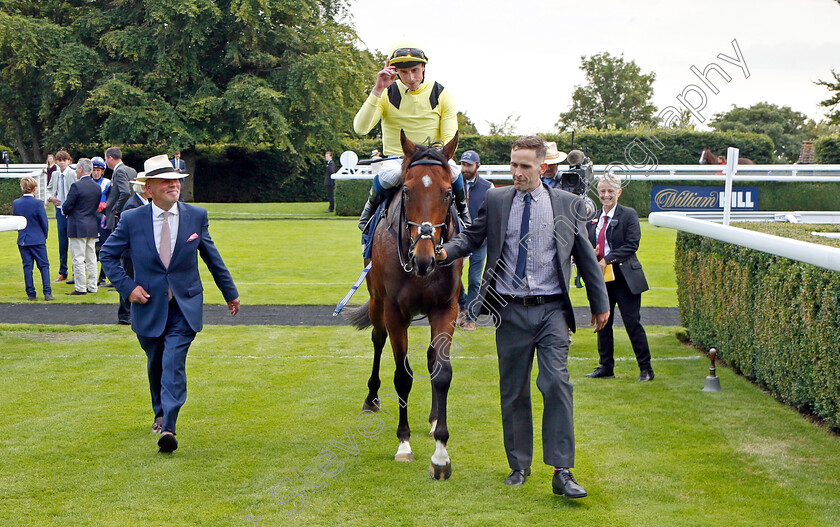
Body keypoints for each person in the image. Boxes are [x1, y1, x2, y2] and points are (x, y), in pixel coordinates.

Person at [436, 136, 609, 498]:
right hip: (509, 311)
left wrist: (600, 303)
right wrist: (445, 251)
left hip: (552, 312)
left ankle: (563, 470)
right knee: (513, 391)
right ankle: (519, 465)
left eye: (525, 166)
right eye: (514, 164)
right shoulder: (497, 200)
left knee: (556, 384)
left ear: (542, 168)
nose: (517, 172)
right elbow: (472, 237)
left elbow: (585, 256)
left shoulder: (567, 204)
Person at [100, 154, 240, 453]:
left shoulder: (196, 216)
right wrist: (128, 288)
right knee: (156, 363)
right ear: (148, 188)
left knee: (173, 362)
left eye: (176, 180)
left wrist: (230, 292)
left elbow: (211, 257)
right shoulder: (131, 219)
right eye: (165, 181)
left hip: (185, 305)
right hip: (148, 305)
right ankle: (160, 412)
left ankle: (169, 426)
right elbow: (107, 255)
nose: (173, 185)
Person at [353, 42, 469, 231]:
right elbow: (360, 128)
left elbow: (449, 136)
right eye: (404, 72)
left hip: (434, 159)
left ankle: (464, 214)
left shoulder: (441, 94)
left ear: (424, 67)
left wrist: (437, 159)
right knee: (389, 176)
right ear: (396, 71)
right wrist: (377, 89)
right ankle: (369, 212)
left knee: (455, 173)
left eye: (415, 70)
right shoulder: (386, 93)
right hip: (397, 160)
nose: (411, 77)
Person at [585, 175, 654, 382]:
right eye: (603, 191)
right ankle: (606, 367)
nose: (606, 195)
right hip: (601, 280)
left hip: (625, 279)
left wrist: (607, 259)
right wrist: (591, 253)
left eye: (610, 191)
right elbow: (589, 245)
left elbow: (631, 245)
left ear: (619, 192)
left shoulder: (629, 215)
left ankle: (646, 368)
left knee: (632, 323)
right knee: (602, 322)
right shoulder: (594, 218)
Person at [456, 150, 492, 331]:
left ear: (478, 166)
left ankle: (471, 317)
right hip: (458, 240)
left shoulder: (487, 187)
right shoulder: (454, 184)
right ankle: (462, 306)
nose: (465, 168)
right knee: (455, 277)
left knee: (475, 280)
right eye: (463, 164)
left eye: (469, 165)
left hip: (479, 240)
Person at [62, 158, 103, 295]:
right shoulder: (97, 187)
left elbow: (67, 206)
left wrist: (67, 211)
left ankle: (80, 287)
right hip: (91, 225)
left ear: (81, 169)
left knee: (78, 258)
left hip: (77, 225)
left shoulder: (76, 186)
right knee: (91, 257)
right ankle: (92, 285)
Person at [115, 179, 151, 325]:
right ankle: (124, 314)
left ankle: (132, 312)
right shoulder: (132, 204)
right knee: (128, 280)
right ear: (143, 187)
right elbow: (127, 232)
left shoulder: (143, 202)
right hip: (130, 252)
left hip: (138, 251)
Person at [13, 177, 53, 301]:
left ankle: (30, 293)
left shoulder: (16, 203)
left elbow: (17, 221)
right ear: (35, 189)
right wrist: (44, 235)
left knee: (27, 266)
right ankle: (47, 292)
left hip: (23, 239)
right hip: (37, 238)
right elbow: (44, 222)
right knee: (44, 266)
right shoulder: (37, 203)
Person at [45, 150, 77, 282]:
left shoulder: (73, 174)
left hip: (72, 211)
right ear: (56, 162)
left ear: (69, 161)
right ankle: (63, 272)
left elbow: (77, 190)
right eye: (59, 160)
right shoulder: (55, 174)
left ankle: (76, 272)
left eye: (64, 160)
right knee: (62, 243)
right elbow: (48, 189)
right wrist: (51, 198)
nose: (62, 162)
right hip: (59, 211)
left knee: (75, 243)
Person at [104, 146, 136, 232]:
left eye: (106, 159)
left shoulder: (119, 171)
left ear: (110, 158)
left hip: (120, 215)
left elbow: (125, 192)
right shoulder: (132, 170)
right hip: (131, 212)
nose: (105, 162)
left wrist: (116, 209)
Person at [91, 156, 112, 286]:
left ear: (103, 171)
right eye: (94, 169)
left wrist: (104, 205)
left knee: (104, 248)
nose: (96, 172)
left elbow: (111, 200)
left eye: (99, 170)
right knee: (90, 249)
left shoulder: (107, 183)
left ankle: (102, 277)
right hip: (90, 218)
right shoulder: (88, 182)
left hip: (102, 220)